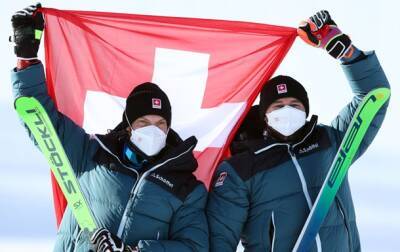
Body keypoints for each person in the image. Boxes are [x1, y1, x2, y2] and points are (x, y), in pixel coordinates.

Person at [11, 4, 209, 252]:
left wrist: (133, 251)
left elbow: (194, 247)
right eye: (143, 123)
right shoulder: (91, 154)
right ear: (128, 127)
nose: (153, 130)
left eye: (160, 124)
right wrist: (26, 57)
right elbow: (41, 120)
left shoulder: (186, 188)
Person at [207, 10, 390, 252]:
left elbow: (374, 96)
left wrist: (347, 52)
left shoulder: (330, 141)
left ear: (305, 110)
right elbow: (219, 240)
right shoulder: (240, 169)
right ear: (265, 116)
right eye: (278, 106)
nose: (287, 111)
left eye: (294, 105)